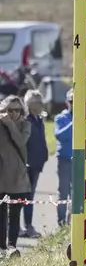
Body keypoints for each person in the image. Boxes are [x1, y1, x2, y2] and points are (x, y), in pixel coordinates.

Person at [0, 95, 31, 252]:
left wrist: (10, 124)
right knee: (1, 214)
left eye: (16, 110)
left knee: (14, 215)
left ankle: (12, 246)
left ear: (22, 111)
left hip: (18, 179)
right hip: (2, 177)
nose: (12, 113)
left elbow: (20, 142)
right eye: (9, 110)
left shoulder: (25, 125)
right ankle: (2, 248)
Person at [20, 90, 47, 238]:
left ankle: (27, 226)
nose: (42, 104)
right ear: (30, 104)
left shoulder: (39, 120)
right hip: (26, 165)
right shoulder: (25, 121)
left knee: (29, 197)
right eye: (39, 102)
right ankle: (25, 227)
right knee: (24, 197)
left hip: (36, 165)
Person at [54, 89, 73, 226]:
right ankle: (61, 222)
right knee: (63, 192)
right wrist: (75, 122)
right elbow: (60, 135)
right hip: (65, 159)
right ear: (67, 102)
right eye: (72, 101)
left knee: (77, 192)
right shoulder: (60, 118)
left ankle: (73, 222)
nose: (74, 104)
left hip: (79, 160)